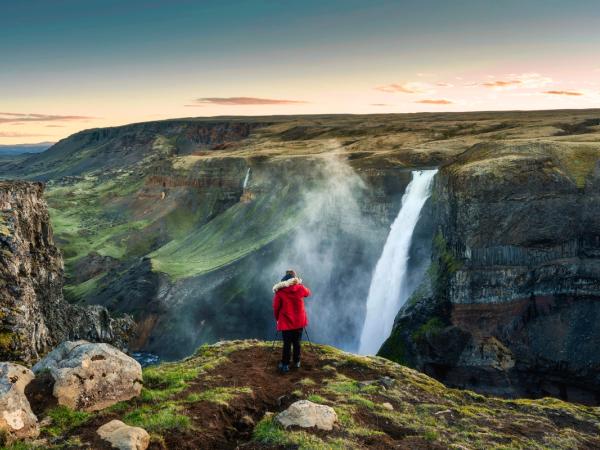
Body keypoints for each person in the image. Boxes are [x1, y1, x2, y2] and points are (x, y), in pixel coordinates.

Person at [272, 269, 311, 373]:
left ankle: (285, 365)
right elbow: (308, 293)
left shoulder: (280, 292)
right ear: (295, 278)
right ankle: (297, 362)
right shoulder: (300, 288)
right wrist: (299, 284)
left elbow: (276, 307)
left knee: (287, 344)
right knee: (297, 342)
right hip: (299, 322)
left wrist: (277, 319)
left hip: (286, 323)